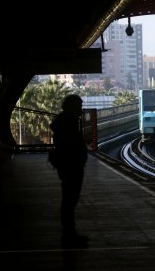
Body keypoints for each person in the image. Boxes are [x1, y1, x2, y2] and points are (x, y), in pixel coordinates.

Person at [50, 94, 88, 247]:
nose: (81, 110)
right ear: (72, 108)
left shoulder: (65, 122)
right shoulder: (67, 124)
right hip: (71, 167)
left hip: (70, 166)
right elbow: (70, 146)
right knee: (69, 200)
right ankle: (69, 234)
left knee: (69, 200)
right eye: (79, 107)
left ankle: (70, 232)